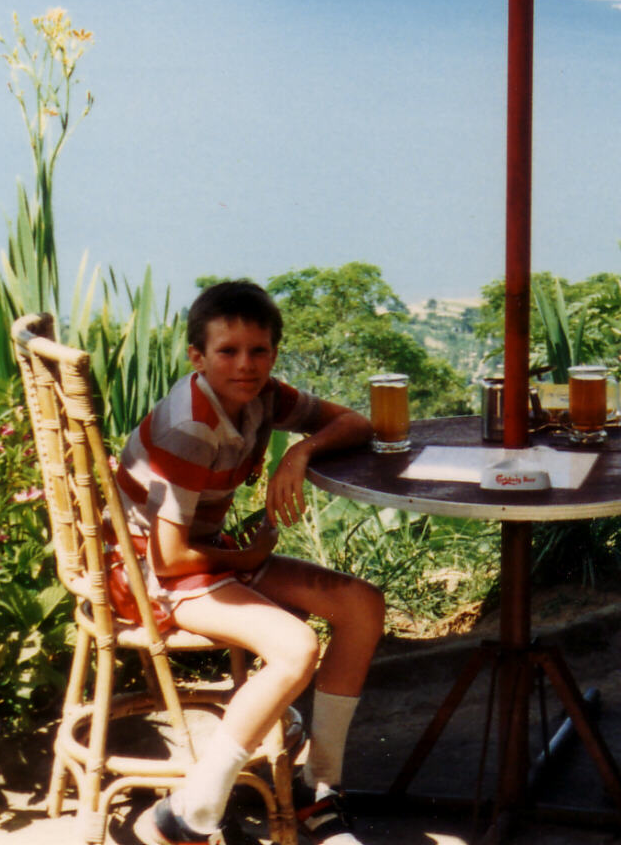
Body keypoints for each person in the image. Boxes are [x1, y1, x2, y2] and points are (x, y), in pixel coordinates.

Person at [121, 280, 385, 845]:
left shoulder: (261, 396)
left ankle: (320, 786)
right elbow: (167, 561)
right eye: (228, 352)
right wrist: (245, 556)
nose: (245, 365)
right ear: (197, 356)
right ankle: (189, 813)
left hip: (210, 555)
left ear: (272, 352)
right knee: (295, 647)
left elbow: (358, 423)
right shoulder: (189, 425)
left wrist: (301, 449)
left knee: (361, 604)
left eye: (258, 351)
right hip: (149, 575)